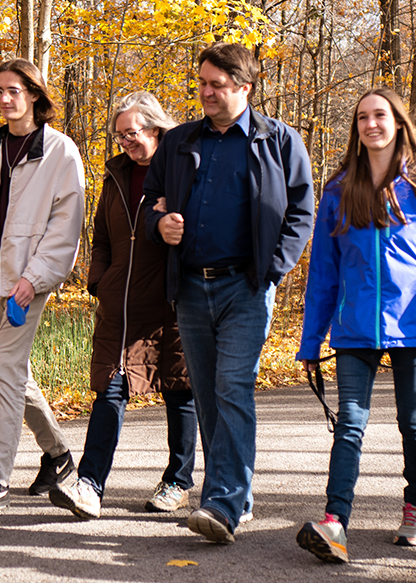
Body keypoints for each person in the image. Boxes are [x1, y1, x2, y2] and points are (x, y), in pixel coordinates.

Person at [142, 42, 315, 544]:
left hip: (247, 285)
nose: (206, 93)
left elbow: (301, 212)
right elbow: (151, 206)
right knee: (209, 395)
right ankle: (234, 493)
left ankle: (222, 504)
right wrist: (161, 227)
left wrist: (274, 268)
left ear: (245, 86)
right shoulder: (177, 142)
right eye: (201, 83)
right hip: (192, 287)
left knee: (232, 387)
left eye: (216, 85)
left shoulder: (278, 141)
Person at [294, 88, 416, 563]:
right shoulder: (338, 190)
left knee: (413, 423)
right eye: (362, 118)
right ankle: (334, 523)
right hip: (354, 329)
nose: (371, 124)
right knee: (350, 422)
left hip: (415, 328)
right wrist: (312, 340)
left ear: (397, 122)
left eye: (380, 116)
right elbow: (324, 274)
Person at [48, 92, 198, 519]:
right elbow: (102, 237)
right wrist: (101, 281)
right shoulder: (115, 176)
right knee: (109, 390)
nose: (126, 143)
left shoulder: (182, 169)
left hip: (171, 301)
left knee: (179, 389)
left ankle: (178, 481)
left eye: (131, 133)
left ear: (156, 128)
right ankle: (90, 485)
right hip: (121, 302)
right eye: (120, 136)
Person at [0, 58, 85, 515]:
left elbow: (66, 226)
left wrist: (34, 278)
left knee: (5, 374)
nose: (4, 99)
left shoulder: (60, 151)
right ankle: (59, 456)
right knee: (14, 374)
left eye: (13, 90)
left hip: (26, 282)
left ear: (34, 93)